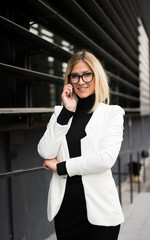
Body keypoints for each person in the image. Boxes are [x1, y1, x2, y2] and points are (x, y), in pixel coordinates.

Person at [37, 50, 125, 240]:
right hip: (66, 211)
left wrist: (61, 167)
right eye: (75, 76)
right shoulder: (61, 112)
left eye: (86, 74)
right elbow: (45, 150)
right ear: (69, 79)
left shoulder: (112, 113)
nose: (80, 81)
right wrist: (66, 113)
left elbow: (105, 159)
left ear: (96, 76)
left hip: (100, 214)